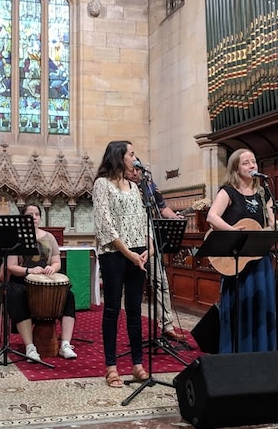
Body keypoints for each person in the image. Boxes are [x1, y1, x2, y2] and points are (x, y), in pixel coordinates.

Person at [205, 148, 278, 354]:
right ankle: (237, 352)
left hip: (260, 259)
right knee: (240, 307)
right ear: (236, 168)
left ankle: (263, 353)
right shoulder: (228, 191)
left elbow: (271, 224)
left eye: (254, 161)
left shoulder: (263, 193)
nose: (252, 166)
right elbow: (212, 217)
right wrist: (232, 231)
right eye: (246, 163)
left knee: (261, 306)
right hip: (236, 260)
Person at [93, 140, 152, 388]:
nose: (134, 157)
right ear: (119, 156)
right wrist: (128, 253)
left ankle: (137, 364)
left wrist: (147, 247)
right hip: (115, 254)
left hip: (139, 253)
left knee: (135, 310)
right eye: (131, 153)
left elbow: (144, 217)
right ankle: (111, 367)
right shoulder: (102, 185)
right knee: (113, 310)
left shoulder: (134, 186)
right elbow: (104, 222)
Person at [5, 204, 78, 361]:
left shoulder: (49, 237)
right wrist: (28, 271)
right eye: (30, 214)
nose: (34, 217)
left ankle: (65, 344)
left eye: (37, 214)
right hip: (22, 281)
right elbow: (11, 266)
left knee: (69, 296)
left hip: (45, 280)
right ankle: (30, 348)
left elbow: (56, 261)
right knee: (17, 297)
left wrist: (52, 268)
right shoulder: (16, 238)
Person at [125, 166, 186, 342]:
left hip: (151, 241)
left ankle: (167, 325)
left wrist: (174, 217)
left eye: (138, 169)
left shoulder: (149, 185)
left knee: (161, 283)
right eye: (132, 169)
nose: (135, 172)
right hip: (130, 242)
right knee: (132, 288)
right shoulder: (123, 186)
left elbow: (162, 207)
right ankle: (132, 329)